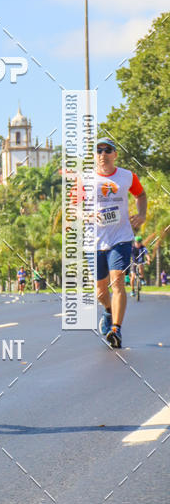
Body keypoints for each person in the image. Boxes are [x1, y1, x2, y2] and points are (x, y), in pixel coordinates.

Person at [96, 137, 147, 348]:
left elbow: (141, 194)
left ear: (115, 154)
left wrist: (141, 215)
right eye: (99, 150)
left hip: (121, 238)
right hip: (95, 241)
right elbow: (74, 206)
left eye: (108, 150)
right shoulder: (85, 179)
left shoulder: (127, 176)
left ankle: (116, 329)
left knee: (117, 281)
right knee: (100, 291)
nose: (103, 154)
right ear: (95, 155)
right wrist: (85, 215)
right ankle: (109, 311)